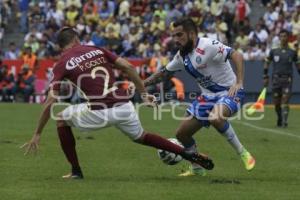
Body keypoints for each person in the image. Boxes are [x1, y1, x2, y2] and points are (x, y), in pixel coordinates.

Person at [21, 27, 213, 179]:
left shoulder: (62, 63)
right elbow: (128, 66)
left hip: (99, 111)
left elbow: (50, 101)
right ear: (77, 39)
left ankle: (76, 171)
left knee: (61, 119)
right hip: (124, 106)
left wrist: (37, 133)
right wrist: (144, 93)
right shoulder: (96, 49)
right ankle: (188, 154)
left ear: (60, 46)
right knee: (141, 136)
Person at [144, 18, 255, 177]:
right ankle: (197, 168)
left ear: (191, 34)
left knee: (215, 118)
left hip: (229, 91)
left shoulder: (208, 45)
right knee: (182, 134)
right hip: (208, 97)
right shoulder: (181, 56)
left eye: (179, 35)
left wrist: (239, 82)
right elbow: (164, 73)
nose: (176, 39)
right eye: (174, 35)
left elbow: (236, 55)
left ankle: (243, 153)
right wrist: (142, 83)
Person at [264, 30, 300, 127]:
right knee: (276, 103)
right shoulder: (274, 51)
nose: (283, 38)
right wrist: (265, 76)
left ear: (288, 38)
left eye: (285, 36)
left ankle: (285, 121)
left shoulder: (292, 52)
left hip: (287, 79)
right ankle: (279, 118)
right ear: (279, 38)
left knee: (285, 100)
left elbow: (298, 66)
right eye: (281, 36)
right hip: (276, 79)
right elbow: (267, 62)